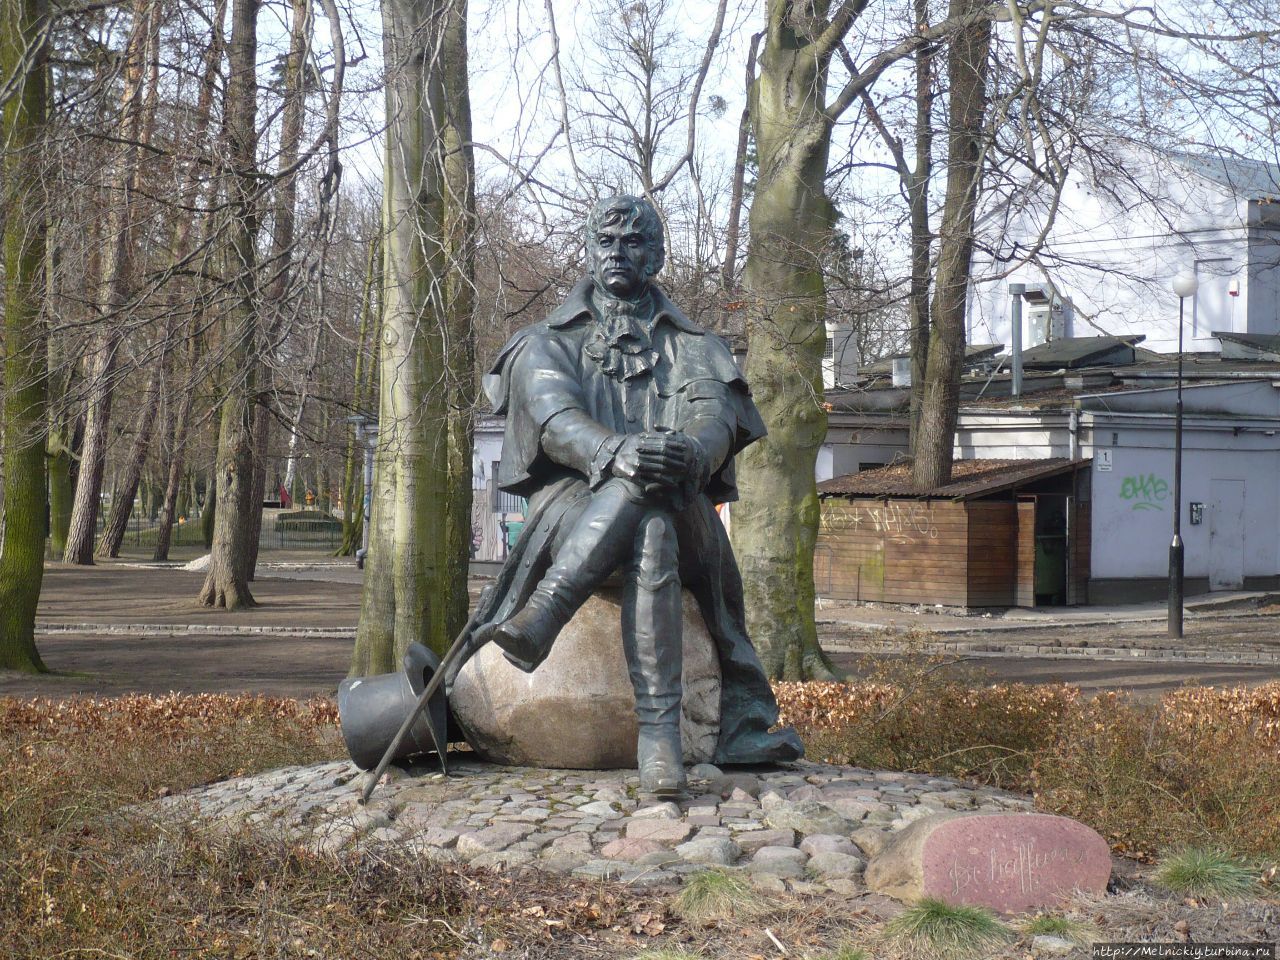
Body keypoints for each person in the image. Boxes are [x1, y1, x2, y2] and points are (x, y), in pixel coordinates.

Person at [445, 194, 802, 795]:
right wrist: (616, 452)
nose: (618, 252)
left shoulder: (695, 345)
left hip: (684, 504)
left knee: (660, 506)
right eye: (606, 241)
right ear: (589, 251)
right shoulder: (544, 341)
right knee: (651, 522)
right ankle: (659, 739)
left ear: (656, 255)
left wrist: (692, 451)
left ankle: (545, 615)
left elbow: (715, 417)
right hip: (569, 507)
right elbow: (556, 420)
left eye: (632, 241)